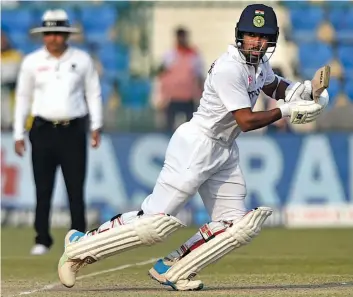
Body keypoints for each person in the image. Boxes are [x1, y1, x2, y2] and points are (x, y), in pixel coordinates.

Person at [57, 4, 328, 291]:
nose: (257, 42)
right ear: (240, 36)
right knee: (153, 224)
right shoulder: (229, 68)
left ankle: (172, 267)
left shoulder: (258, 64)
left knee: (235, 226)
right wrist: (286, 111)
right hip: (196, 146)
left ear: (271, 41)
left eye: (263, 37)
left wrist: (303, 90)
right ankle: (79, 245)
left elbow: (273, 85)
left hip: (224, 150)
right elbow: (246, 121)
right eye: (251, 36)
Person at [13, 9, 103, 255]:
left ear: (67, 35)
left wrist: (96, 125)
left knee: (75, 187)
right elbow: (23, 97)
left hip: (72, 129)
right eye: (48, 33)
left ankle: (79, 238)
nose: (53, 38)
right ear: (43, 35)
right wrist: (18, 133)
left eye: (58, 33)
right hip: (42, 130)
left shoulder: (82, 60)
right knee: (43, 188)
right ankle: (42, 238)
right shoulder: (32, 62)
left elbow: (93, 93)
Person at [155, 27, 204, 132]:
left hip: (188, 98)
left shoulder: (194, 56)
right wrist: (161, 97)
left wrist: (202, 96)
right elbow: (161, 75)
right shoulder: (170, 55)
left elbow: (199, 76)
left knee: (191, 127)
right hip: (172, 98)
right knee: (169, 126)